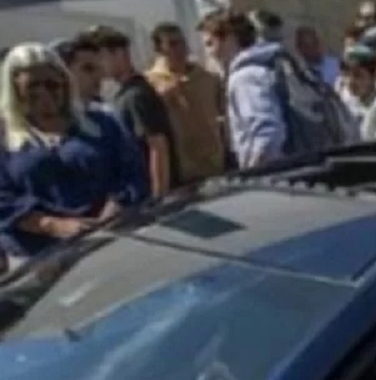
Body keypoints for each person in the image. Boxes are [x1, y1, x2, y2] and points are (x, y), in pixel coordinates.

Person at [0, 43, 148, 262]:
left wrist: (112, 214)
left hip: (114, 240)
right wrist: (54, 225)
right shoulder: (4, 140)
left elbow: (132, 173)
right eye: (32, 87)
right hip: (40, 260)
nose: (43, 93)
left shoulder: (102, 124)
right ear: (14, 90)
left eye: (51, 84)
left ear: (64, 83)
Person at [200, 9, 288, 169]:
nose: (209, 53)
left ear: (230, 38)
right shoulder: (274, 62)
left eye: (210, 44)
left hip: (277, 178)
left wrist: (254, 175)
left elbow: (266, 135)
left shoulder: (245, 77)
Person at [95, 26, 175, 195]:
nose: (99, 64)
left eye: (102, 57)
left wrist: (159, 196)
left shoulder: (137, 95)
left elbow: (157, 146)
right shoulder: (122, 95)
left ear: (120, 54)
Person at [146, 22, 228, 186]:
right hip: (182, 173)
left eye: (182, 42)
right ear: (160, 50)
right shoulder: (150, 84)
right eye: (172, 44)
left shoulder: (207, 79)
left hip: (215, 165)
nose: (180, 49)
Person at [340, 45, 376, 140]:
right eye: (346, 75)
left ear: (374, 75)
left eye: (358, 75)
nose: (350, 81)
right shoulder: (350, 103)